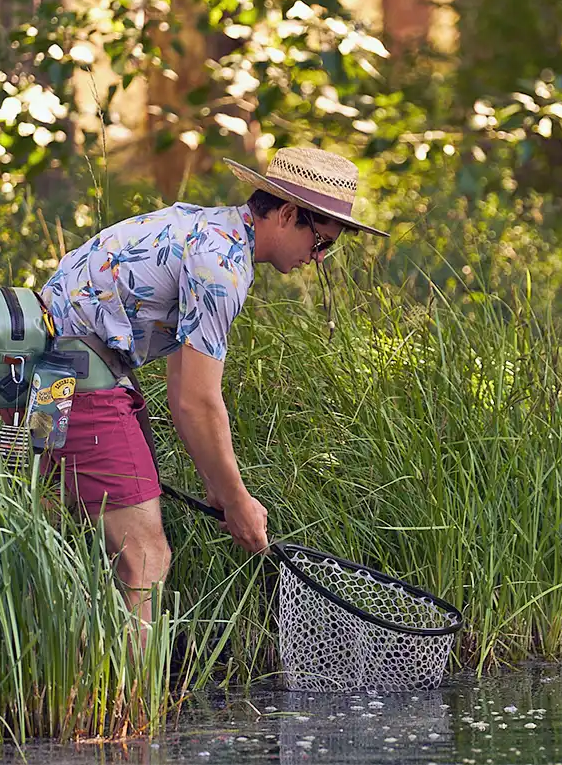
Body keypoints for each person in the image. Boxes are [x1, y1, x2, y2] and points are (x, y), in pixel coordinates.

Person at [39, 146, 388, 621]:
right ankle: (135, 697)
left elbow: (182, 387)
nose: (319, 258)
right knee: (146, 558)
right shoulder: (222, 266)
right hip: (80, 382)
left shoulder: (210, 229)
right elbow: (198, 401)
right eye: (321, 242)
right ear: (287, 214)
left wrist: (219, 488)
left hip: (44, 371)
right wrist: (241, 502)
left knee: (51, 536)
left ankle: (65, 689)